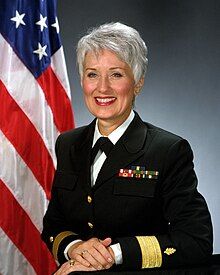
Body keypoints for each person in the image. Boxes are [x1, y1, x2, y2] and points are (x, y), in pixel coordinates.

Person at [41, 22, 213, 274]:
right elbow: (54, 224)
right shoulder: (68, 143)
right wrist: (75, 248)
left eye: (116, 74)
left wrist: (112, 254)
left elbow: (195, 240)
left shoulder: (168, 150)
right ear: (82, 80)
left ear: (138, 83)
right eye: (92, 74)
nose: (102, 88)